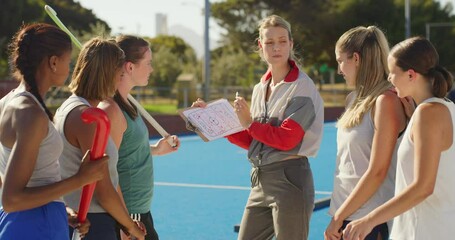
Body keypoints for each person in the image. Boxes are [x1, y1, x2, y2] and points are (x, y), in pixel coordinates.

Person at [192, 15, 324, 239]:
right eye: (270, 42)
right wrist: (214, 121)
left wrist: (249, 123)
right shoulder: (260, 87)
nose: (276, 47)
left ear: (291, 44)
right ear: (260, 46)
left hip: (290, 180)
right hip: (260, 179)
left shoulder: (302, 86)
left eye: (282, 41)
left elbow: (286, 139)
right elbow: (256, 141)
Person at [0, 23, 108, 239]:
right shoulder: (31, 114)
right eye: (69, 61)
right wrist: (81, 179)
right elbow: (11, 199)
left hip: (22, 222)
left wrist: (59, 208)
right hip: (37, 226)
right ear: (53, 62)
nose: (69, 70)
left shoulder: (6, 103)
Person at [342, 37, 455, 240]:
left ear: (411, 74)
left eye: (393, 72)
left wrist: (369, 220)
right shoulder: (443, 108)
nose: (390, 79)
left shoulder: (428, 114)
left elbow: (423, 187)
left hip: (423, 231)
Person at [53, 37, 146, 240]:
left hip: (80, 218)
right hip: (91, 223)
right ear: (107, 74)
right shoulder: (87, 117)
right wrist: (131, 227)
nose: (119, 80)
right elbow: (103, 190)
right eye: (119, 74)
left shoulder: (67, 108)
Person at [324, 26, 408, 240]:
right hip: (346, 216)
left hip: (369, 221)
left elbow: (377, 171)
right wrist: (339, 215)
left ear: (357, 59)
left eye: (341, 60)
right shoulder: (353, 100)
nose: (339, 69)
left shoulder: (386, 101)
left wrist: (339, 217)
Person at [98, 35, 180, 240]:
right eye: (148, 63)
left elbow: (125, 151)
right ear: (130, 67)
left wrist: (156, 150)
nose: (152, 69)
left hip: (140, 211)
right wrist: (125, 221)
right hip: (129, 213)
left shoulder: (128, 104)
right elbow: (106, 169)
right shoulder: (112, 110)